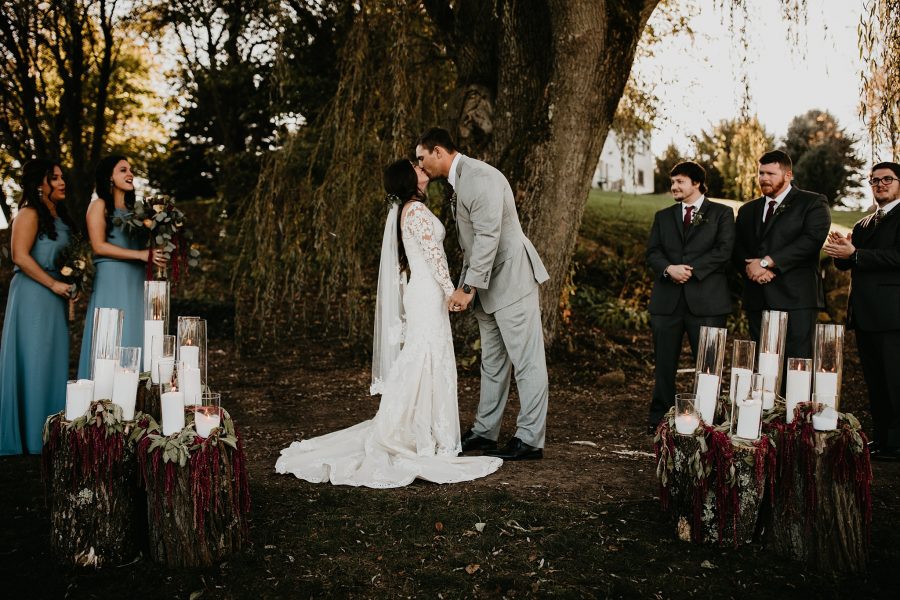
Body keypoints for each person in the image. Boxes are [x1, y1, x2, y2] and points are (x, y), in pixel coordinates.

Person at [275, 160, 502, 487]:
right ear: (409, 179)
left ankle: (416, 428)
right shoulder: (417, 212)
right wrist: (453, 290)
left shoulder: (403, 211)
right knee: (427, 357)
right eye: (417, 168)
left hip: (421, 291)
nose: (423, 170)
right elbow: (434, 256)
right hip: (427, 292)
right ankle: (422, 434)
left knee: (423, 356)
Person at [416, 128, 550, 461]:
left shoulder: (480, 176)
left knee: (527, 363)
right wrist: (465, 288)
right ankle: (485, 431)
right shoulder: (459, 182)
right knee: (492, 364)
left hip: (512, 280)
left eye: (422, 157)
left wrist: (467, 289)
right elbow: (471, 244)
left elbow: (489, 236)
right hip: (486, 288)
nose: (420, 165)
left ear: (438, 152)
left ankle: (530, 439)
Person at [646, 161, 735, 432]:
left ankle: (708, 417)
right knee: (663, 364)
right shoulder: (663, 216)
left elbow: (724, 251)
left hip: (707, 301)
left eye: (680, 182)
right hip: (667, 302)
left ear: (696, 183)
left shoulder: (722, 213)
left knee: (708, 366)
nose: (674, 187)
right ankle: (660, 417)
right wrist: (669, 269)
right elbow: (653, 252)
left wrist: (691, 271)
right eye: (672, 182)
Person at [826, 161, 900, 460]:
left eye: (887, 179)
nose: (879, 184)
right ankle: (882, 439)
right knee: (876, 383)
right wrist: (841, 250)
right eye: (874, 180)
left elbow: (895, 258)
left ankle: (897, 444)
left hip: (894, 315)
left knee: (896, 382)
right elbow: (848, 263)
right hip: (865, 315)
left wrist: (856, 254)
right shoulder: (863, 224)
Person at [0, 160, 75, 455]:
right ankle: (30, 436)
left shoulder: (61, 217)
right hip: (33, 293)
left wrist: (72, 280)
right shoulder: (28, 214)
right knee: (33, 360)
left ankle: (49, 432)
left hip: (56, 294)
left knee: (52, 360)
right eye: (53, 177)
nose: (61, 182)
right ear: (38, 184)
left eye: (61, 177)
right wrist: (53, 284)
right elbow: (20, 256)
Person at [733, 150, 831, 360]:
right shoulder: (748, 210)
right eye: (761, 173)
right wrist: (752, 269)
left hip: (796, 298)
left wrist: (767, 262)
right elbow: (736, 246)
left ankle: (793, 396)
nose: (764, 178)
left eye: (770, 173)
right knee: (763, 362)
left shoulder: (812, 203)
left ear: (788, 175)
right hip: (757, 296)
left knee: (796, 363)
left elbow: (811, 241)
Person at [77, 155, 165, 378]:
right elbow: (98, 246)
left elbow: (148, 248)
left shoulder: (138, 213)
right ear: (109, 177)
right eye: (123, 170)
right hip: (112, 279)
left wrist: (159, 250)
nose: (130, 174)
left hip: (137, 280)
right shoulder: (99, 205)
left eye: (131, 170)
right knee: (113, 338)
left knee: (137, 335)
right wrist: (141, 254)